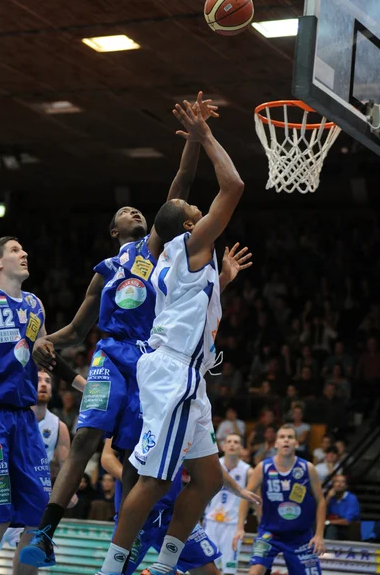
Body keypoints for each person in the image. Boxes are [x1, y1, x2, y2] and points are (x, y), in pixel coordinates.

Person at [20, 94, 250, 569]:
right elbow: (80, 326)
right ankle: (55, 534)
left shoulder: (158, 251)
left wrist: (193, 141)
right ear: (112, 228)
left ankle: (142, 555)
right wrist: (50, 339)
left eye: (139, 210)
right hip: (124, 355)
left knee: (145, 461)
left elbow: (179, 190)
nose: (134, 211)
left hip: (152, 355)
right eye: (124, 211)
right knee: (91, 441)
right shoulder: (113, 265)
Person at [95, 97, 257, 575]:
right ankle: (111, 569)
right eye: (194, 209)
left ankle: (165, 566)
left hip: (185, 372)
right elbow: (234, 185)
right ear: (191, 228)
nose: (198, 205)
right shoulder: (188, 247)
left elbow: (189, 305)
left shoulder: (171, 258)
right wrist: (204, 137)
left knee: (206, 480)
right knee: (154, 482)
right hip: (173, 373)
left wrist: (221, 281)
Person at [0, 237, 76, 575]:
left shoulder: (35, 305)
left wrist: (81, 384)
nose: (24, 253)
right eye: (14, 250)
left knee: (39, 514)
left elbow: (45, 356)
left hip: (24, 420)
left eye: (24, 249)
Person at [101, 437, 258, 575]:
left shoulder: (186, 415)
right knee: (114, 572)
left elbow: (207, 463)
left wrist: (238, 489)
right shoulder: (132, 409)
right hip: (137, 513)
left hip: (173, 514)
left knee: (209, 570)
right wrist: (140, 486)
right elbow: (107, 456)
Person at [0, 370, 82, 559]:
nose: (43, 384)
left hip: (31, 498)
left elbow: (66, 466)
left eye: (48, 381)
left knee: (29, 559)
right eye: (38, 380)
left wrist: (71, 491)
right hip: (4, 494)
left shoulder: (58, 426)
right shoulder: (8, 417)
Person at [233, 424, 326, 575]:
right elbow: (245, 496)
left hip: (300, 536)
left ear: (296, 443)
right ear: (276, 443)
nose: (286, 440)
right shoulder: (263, 467)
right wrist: (239, 528)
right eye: (282, 437)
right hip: (270, 533)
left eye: (290, 437)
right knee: (255, 572)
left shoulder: (308, 468)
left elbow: (321, 501)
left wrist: (319, 535)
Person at [203, 434, 253, 575]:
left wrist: (241, 526)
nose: (232, 444)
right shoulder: (212, 466)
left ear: (241, 448)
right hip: (211, 522)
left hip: (233, 525)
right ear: (223, 446)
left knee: (230, 568)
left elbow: (252, 501)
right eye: (229, 441)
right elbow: (202, 494)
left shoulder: (248, 471)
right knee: (207, 564)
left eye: (236, 442)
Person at [325, 474, 360, 541]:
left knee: (332, 528)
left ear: (346, 485)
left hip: (347, 529)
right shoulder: (331, 498)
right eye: (337, 481)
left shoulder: (351, 498)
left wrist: (328, 522)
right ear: (333, 484)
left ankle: (328, 550)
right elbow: (321, 514)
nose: (339, 484)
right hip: (330, 525)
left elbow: (347, 521)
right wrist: (328, 498)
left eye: (342, 482)